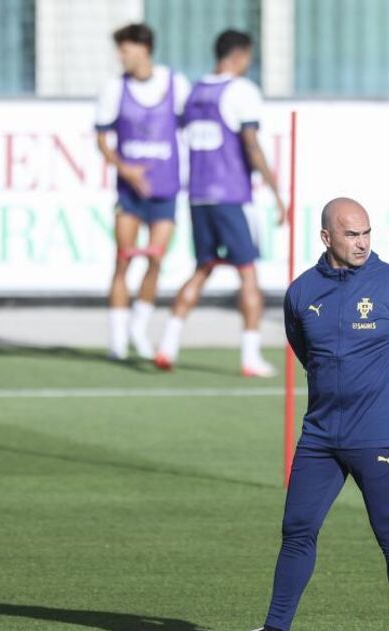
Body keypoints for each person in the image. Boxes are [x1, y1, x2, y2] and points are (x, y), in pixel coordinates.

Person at [210, 198, 389, 631]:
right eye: (351, 235)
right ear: (326, 238)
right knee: (296, 530)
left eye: (366, 233)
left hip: (377, 437)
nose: (361, 243)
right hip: (319, 436)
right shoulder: (301, 293)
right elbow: (307, 354)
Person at [155, 29, 287, 376]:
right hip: (231, 194)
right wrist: (275, 190)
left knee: (203, 269)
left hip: (199, 197)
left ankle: (168, 344)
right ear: (241, 55)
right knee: (248, 275)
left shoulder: (196, 91)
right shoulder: (242, 91)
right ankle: (250, 355)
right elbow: (250, 143)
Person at [95, 23, 189, 361]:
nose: (121, 56)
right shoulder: (113, 90)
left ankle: (139, 328)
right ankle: (117, 340)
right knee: (122, 261)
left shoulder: (174, 84)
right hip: (129, 193)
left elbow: (189, 128)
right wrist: (125, 169)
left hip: (164, 188)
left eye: (125, 49)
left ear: (143, 48)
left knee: (155, 260)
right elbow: (102, 140)